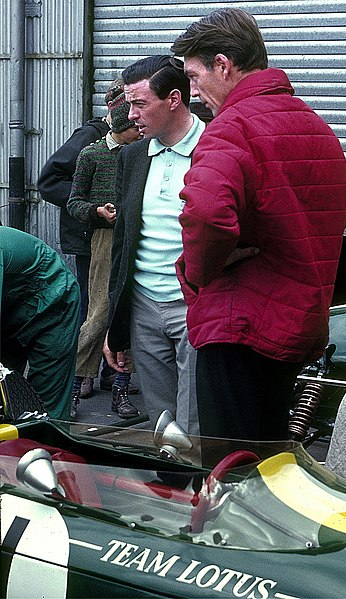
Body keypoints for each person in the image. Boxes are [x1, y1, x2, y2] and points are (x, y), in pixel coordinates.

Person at [170, 8, 346, 442]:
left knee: (230, 472)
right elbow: (338, 212)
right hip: (295, 322)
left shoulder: (230, 128)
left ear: (223, 64)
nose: (194, 93)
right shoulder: (317, 128)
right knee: (271, 464)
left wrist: (199, 273)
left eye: (195, 77)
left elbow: (207, 214)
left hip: (238, 324)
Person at [103, 55, 205, 435]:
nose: (130, 115)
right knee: (162, 422)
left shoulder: (214, 148)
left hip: (194, 304)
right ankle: (170, 489)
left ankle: (203, 491)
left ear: (174, 99)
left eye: (139, 103)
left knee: (197, 423)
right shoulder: (132, 156)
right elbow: (123, 243)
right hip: (145, 304)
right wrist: (117, 323)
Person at [66, 82, 142, 420]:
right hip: (103, 240)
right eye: (134, 130)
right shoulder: (92, 154)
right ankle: (71, 390)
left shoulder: (143, 152)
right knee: (97, 316)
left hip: (137, 238)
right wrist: (97, 211)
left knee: (132, 315)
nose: (140, 133)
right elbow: (74, 203)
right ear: (122, 129)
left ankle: (121, 390)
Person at [37, 94, 115, 399]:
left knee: (111, 304)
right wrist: (90, 202)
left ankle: (109, 372)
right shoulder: (88, 138)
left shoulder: (134, 137)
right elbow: (48, 181)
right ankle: (79, 378)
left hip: (107, 234)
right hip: (87, 235)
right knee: (90, 307)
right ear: (113, 106)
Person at [0, 226, 80, 420]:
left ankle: (49, 447)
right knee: (5, 402)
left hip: (53, 301)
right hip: (10, 305)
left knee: (43, 411)